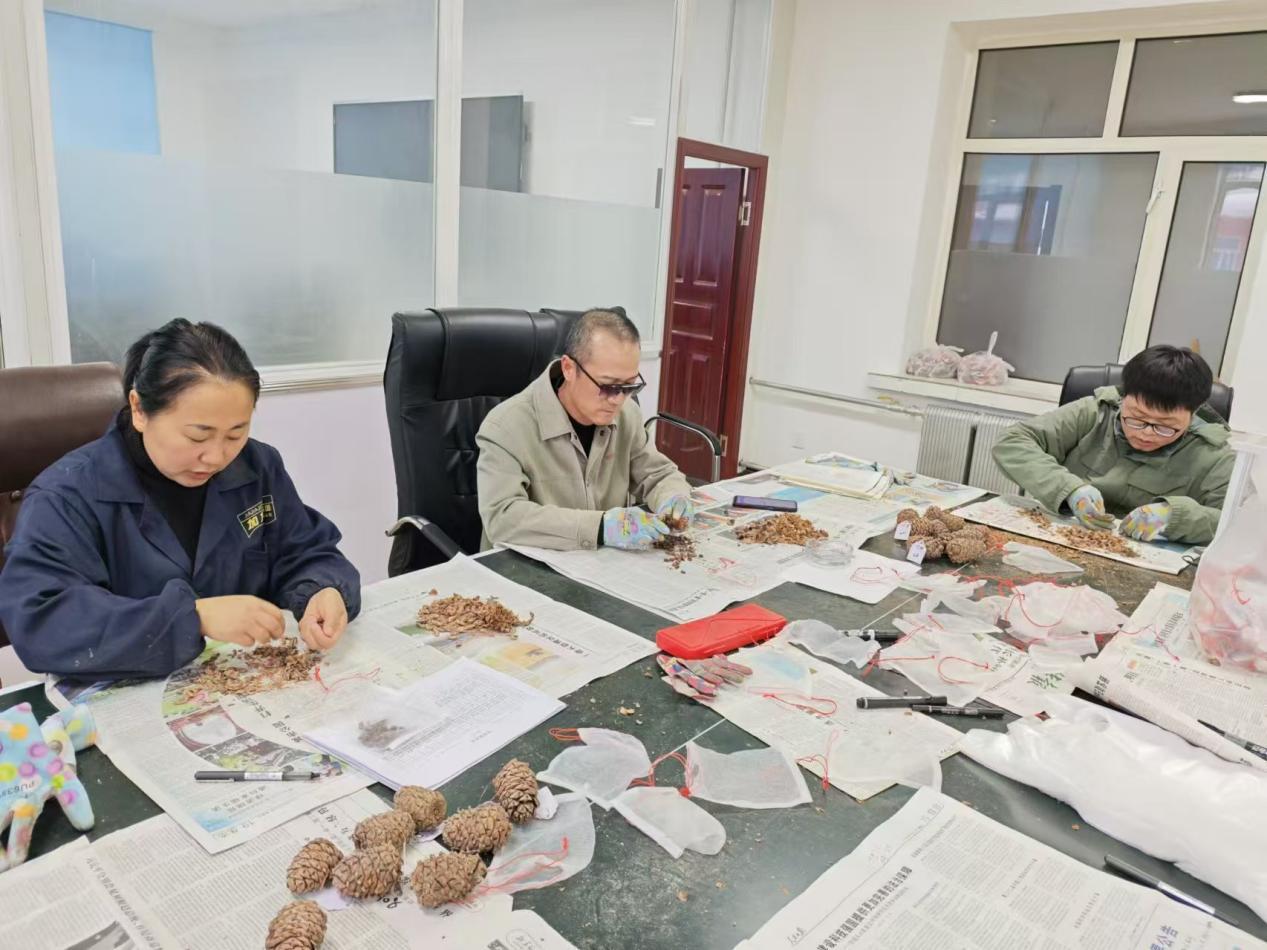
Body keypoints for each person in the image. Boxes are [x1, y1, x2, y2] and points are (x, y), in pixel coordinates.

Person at [0, 319, 361, 680]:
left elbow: (305, 550)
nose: (216, 457)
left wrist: (322, 588)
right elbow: (43, 624)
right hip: (126, 691)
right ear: (139, 410)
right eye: (197, 437)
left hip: (241, 679)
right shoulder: (66, 495)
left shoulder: (258, 466)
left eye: (235, 434)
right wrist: (193, 617)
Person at [477, 308, 694, 551]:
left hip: (601, 561)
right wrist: (599, 527)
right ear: (569, 368)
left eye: (629, 386)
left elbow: (657, 474)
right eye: (608, 386)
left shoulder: (627, 414)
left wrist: (673, 497)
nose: (618, 400)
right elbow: (502, 518)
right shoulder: (505, 426)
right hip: (526, 564)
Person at [992, 345, 1234, 545]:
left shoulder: (1213, 454)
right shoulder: (1095, 412)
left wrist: (1178, 517)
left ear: (1193, 414)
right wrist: (1069, 489)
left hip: (1146, 560)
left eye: (1165, 426)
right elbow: (1012, 442)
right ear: (1123, 397)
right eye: (1136, 418)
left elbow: (1233, 522)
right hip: (1063, 537)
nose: (1146, 434)